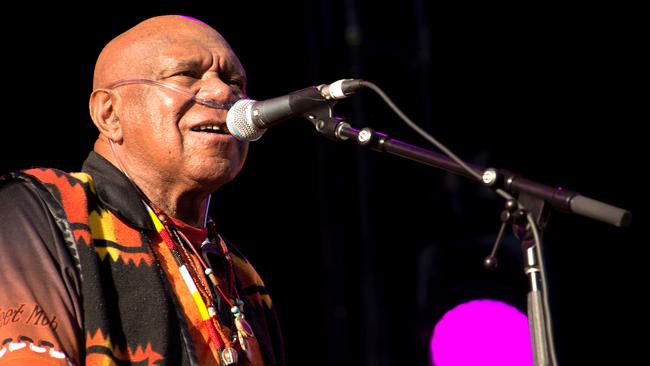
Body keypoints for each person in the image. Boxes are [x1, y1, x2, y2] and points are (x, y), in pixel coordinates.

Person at [0, 15, 284, 365]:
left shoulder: (238, 273)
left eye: (234, 81)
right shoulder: (42, 210)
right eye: (187, 75)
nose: (223, 92)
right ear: (109, 114)